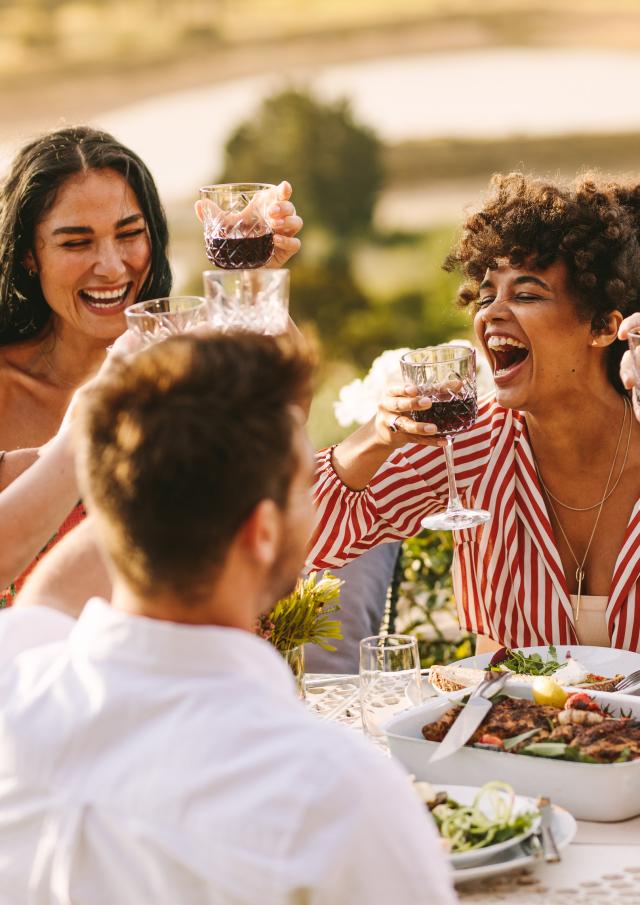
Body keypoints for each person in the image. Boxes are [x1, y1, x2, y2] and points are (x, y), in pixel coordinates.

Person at [0, 332, 455, 905]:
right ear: (262, 533)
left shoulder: (14, 684)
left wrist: (141, 472)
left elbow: (48, 601)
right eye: (304, 485)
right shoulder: (337, 795)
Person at [310, 173, 640, 652]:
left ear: (603, 326)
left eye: (526, 295)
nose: (492, 313)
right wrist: (376, 438)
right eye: (487, 297)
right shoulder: (473, 444)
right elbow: (308, 536)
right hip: (504, 725)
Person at [0, 125, 302, 599]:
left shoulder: (185, 359)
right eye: (76, 243)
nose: (112, 266)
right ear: (27, 256)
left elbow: (290, 418)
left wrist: (249, 282)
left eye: (129, 234)